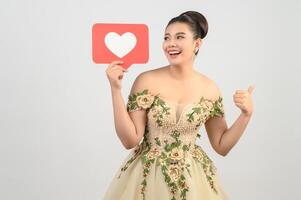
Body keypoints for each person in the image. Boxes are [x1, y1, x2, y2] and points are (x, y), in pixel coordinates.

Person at [104, 10, 254, 200]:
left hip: (192, 179)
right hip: (148, 177)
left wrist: (246, 115)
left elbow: (221, 146)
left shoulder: (210, 88)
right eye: (167, 38)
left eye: (179, 37)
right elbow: (130, 140)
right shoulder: (146, 80)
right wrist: (115, 90)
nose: (170, 43)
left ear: (197, 43)